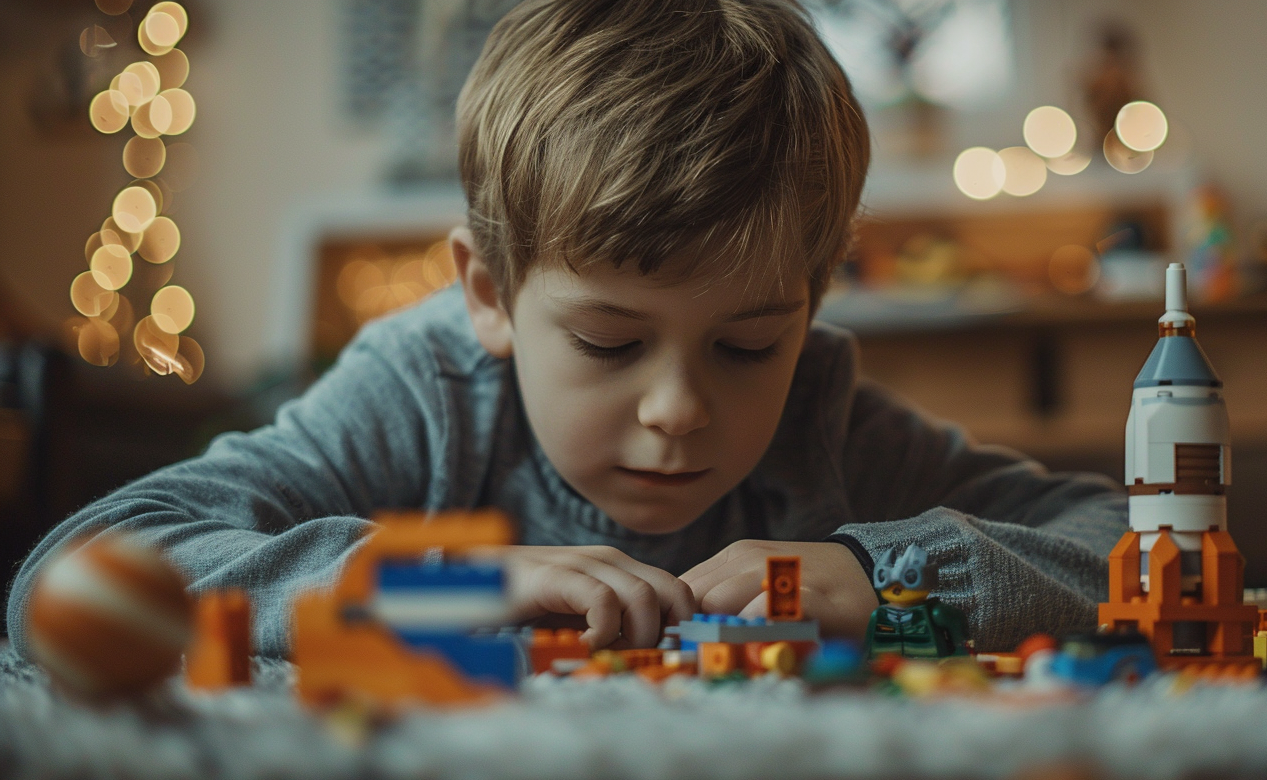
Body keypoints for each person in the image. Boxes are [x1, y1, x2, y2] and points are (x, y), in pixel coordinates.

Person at [5, 0, 1126, 659]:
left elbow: (1143, 549)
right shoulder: (427, 398)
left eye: (746, 346)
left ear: (812, 309)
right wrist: (452, 588)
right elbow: (76, 571)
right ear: (487, 295)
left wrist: (887, 576)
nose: (679, 410)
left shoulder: (821, 427)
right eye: (606, 343)